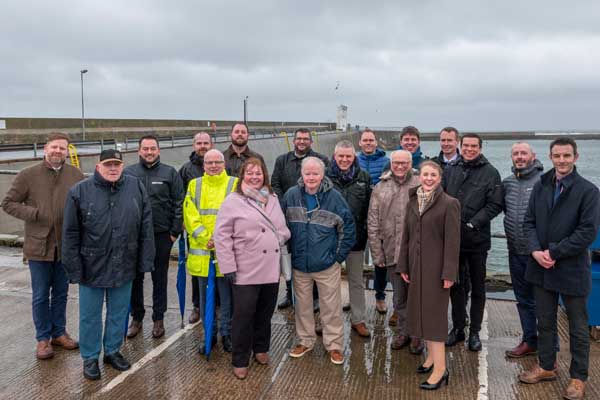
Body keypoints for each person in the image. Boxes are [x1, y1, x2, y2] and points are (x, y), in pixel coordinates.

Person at [62, 149, 155, 380]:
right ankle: (90, 356)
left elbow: (146, 224)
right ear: (98, 166)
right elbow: (70, 233)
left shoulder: (136, 187)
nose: (113, 168)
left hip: (124, 263)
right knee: (90, 315)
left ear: (123, 166)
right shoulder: (79, 192)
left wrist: (145, 260)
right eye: (108, 164)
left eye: (117, 164)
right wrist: (73, 268)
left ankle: (112, 351)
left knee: (118, 312)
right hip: (91, 265)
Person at [519, 137, 600, 400]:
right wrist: (535, 251)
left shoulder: (588, 191)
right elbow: (528, 222)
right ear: (550, 157)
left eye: (567, 156)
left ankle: (578, 377)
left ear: (575, 157)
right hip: (541, 266)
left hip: (572, 269)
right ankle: (546, 365)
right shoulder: (541, 186)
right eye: (557, 156)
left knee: (577, 327)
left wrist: (554, 252)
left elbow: (587, 232)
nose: (561, 161)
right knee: (545, 322)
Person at [1, 132, 84, 359]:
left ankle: (59, 333)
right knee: (40, 295)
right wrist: (35, 214)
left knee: (61, 293)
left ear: (67, 151)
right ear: (46, 148)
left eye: (62, 148)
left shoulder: (75, 175)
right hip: (39, 247)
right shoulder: (28, 175)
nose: (58, 151)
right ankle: (43, 339)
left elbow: (84, 204)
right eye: (54, 147)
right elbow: (8, 203)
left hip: (65, 246)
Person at [214, 158, 291, 380]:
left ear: (264, 175)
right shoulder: (233, 201)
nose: (255, 177)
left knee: (265, 312)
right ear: (242, 176)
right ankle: (240, 358)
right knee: (243, 315)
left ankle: (261, 348)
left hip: (270, 267)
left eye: (258, 173)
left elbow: (283, 228)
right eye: (250, 173)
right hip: (245, 268)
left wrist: (280, 236)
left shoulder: (273, 198)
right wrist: (227, 265)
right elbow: (222, 235)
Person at [282, 157, 355, 365]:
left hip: (326, 265)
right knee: (302, 306)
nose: (311, 177)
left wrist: (337, 258)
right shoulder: (291, 195)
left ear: (322, 175)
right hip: (299, 265)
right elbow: (282, 226)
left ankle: (334, 346)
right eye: (308, 173)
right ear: (302, 175)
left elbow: (347, 228)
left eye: (315, 173)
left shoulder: (334, 198)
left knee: (330, 307)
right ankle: (305, 340)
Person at [397, 160, 460, 390]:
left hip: (437, 271)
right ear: (419, 176)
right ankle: (431, 358)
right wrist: (403, 265)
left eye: (433, 174)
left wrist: (449, 273)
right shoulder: (413, 200)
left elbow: (453, 243)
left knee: (434, 319)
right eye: (425, 174)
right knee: (421, 313)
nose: (429, 178)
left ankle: (441, 370)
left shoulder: (449, 204)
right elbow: (406, 236)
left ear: (440, 178)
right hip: (416, 267)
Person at [443, 133, 503, 352]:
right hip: (452, 241)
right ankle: (458, 328)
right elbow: (441, 198)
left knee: (478, 287)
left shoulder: (491, 173)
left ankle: (474, 332)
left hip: (477, 240)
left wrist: (473, 223)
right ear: (460, 146)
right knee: (456, 287)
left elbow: (495, 204)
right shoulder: (450, 170)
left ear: (480, 147)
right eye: (465, 145)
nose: (469, 149)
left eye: (473, 146)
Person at [125, 135, 184, 339]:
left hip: (161, 235)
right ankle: (137, 317)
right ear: (139, 151)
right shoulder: (129, 173)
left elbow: (179, 203)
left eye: (153, 148)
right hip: (135, 236)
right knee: (135, 278)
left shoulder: (169, 173)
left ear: (158, 150)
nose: (149, 152)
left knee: (160, 278)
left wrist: (174, 232)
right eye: (145, 149)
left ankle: (158, 318)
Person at [183, 149, 237, 354]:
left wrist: (221, 240)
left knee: (227, 301)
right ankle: (210, 335)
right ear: (203, 165)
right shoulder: (194, 185)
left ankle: (227, 335)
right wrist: (207, 239)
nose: (213, 166)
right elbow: (190, 216)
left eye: (217, 162)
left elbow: (240, 215)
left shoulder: (235, 184)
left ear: (224, 164)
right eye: (209, 162)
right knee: (207, 302)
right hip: (203, 254)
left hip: (227, 254)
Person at [368, 150, 422, 353]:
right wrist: (377, 253)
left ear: (410, 163)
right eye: (396, 162)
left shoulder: (420, 183)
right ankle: (403, 332)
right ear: (390, 163)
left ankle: (418, 334)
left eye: (404, 163)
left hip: (417, 252)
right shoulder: (380, 187)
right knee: (399, 297)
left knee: (418, 296)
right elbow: (372, 223)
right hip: (391, 251)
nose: (400, 166)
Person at [271, 128, 329, 310]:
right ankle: (290, 293)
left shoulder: (321, 160)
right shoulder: (282, 160)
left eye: (305, 139)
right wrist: (282, 207)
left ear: (311, 141)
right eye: (299, 139)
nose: (302, 142)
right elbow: (275, 184)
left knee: (312, 256)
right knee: (289, 256)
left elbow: (326, 184)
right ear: (294, 141)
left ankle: (315, 296)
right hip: (288, 216)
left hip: (313, 217)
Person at [502, 142, 546, 358]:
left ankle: (549, 348)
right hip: (515, 251)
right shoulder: (508, 182)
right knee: (524, 300)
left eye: (523, 153)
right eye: (516, 154)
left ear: (533, 156)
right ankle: (530, 341)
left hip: (538, 254)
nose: (519, 157)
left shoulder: (545, 181)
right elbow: (497, 207)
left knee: (544, 303)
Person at [326, 140, 371, 338]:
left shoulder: (364, 177)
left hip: (356, 239)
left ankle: (358, 320)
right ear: (334, 157)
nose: (344, 160)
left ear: (354, 157)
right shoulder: (325, 177)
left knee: (356, 281)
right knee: (329, 283)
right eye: (341, 156)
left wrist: (366, 232)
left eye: (348, 156)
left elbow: (371, 208)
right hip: (330, 240)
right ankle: (328, 320)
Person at [179, 132, 214, 324]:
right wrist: (183, 221)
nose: (202, 146)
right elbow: (180, 197)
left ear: (212, 144)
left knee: (219, 269)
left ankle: (215, 304)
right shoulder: (186, 170)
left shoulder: (217, 165)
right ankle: (197, 306)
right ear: (194, 145)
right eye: (199, 143)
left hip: (216, 230)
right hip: (195, 230)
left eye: (206, 143)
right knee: (197, 268)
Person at [357, 129, 390, 315]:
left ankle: (380, 296)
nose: (368, 143)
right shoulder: (354, 160)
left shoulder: (386, 162)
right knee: (355, 260)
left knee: (380, 260)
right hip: (359, 216)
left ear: (376, 143)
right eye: (365, 140)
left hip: (380, 217)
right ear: (360, 143)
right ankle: (356, 297)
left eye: (371, 140)